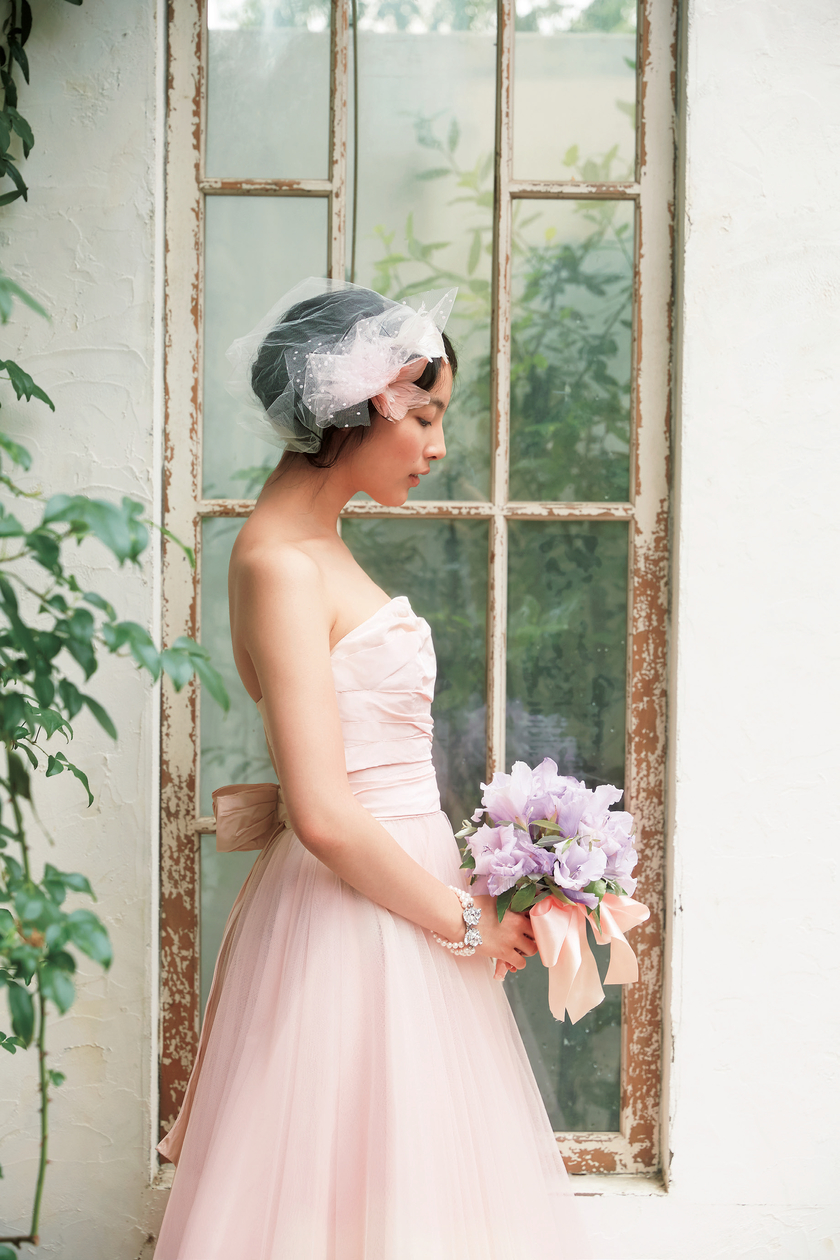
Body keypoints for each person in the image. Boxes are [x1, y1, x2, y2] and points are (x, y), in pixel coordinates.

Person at [153, 278, 590, 1259]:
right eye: (426, 415)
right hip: (359, 919)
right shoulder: (278, 562)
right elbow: (321, 811)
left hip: (401, 903)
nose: (439, 447)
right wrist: (468, 923)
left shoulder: (319, 542)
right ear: (358, 406)